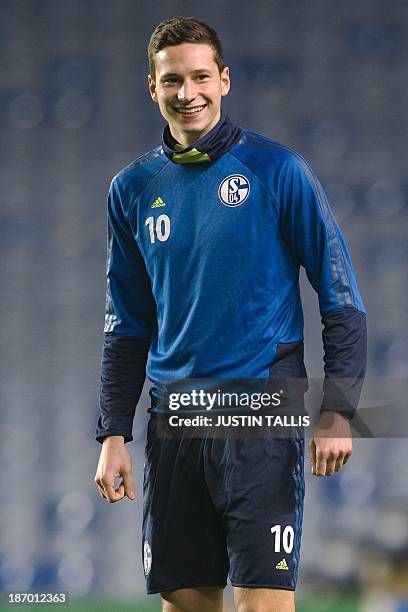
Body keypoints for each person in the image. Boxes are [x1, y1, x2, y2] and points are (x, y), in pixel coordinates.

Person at [94, 16, 367, 612]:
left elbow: (342, 299)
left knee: (262, 604)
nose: (186, 93)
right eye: (172, 81)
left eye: (199, 77)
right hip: (174, 423)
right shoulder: (131, 189)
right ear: (152, 88)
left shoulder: (278, 170)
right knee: (186, 602)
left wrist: (338, 410)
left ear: (224, 81)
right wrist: (113, 430)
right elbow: (126, 326)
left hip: (259, 415)